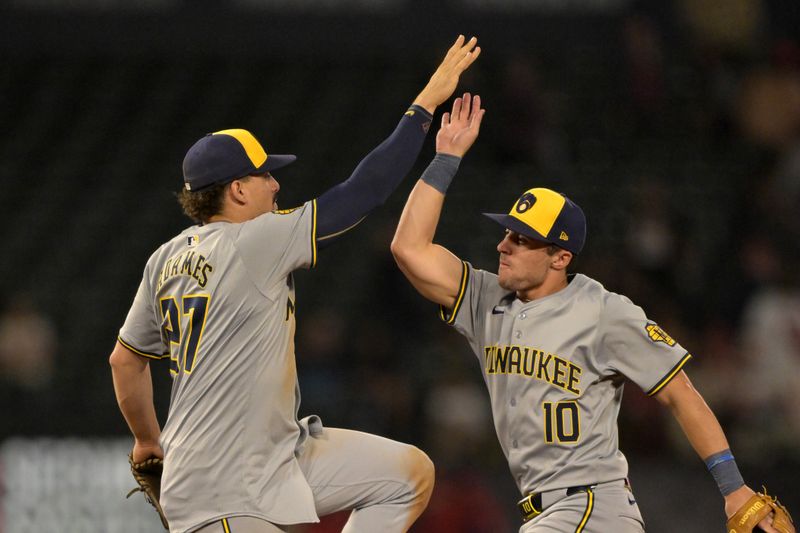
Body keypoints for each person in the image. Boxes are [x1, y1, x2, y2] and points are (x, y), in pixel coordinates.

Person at [109, 35, 480, 533]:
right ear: (237, 189)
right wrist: (424, 105)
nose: (277, 184)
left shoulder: (165, 258)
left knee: (407, 476)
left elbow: (125, 360)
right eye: (265, 175)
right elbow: (362, 192)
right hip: (223, 488)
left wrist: (147, 442)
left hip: (268, 455)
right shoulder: (252, 241)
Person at [390, 93, 795, 532]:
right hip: (549, 512)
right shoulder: (485, 300)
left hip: (589, 506)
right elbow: (408, 248)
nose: (503, 246)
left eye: (522, 239)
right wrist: (446, 158)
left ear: (560, 257)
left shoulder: (604, 311)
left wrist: (733, 487)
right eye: (507, 233)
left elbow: (680, 393)